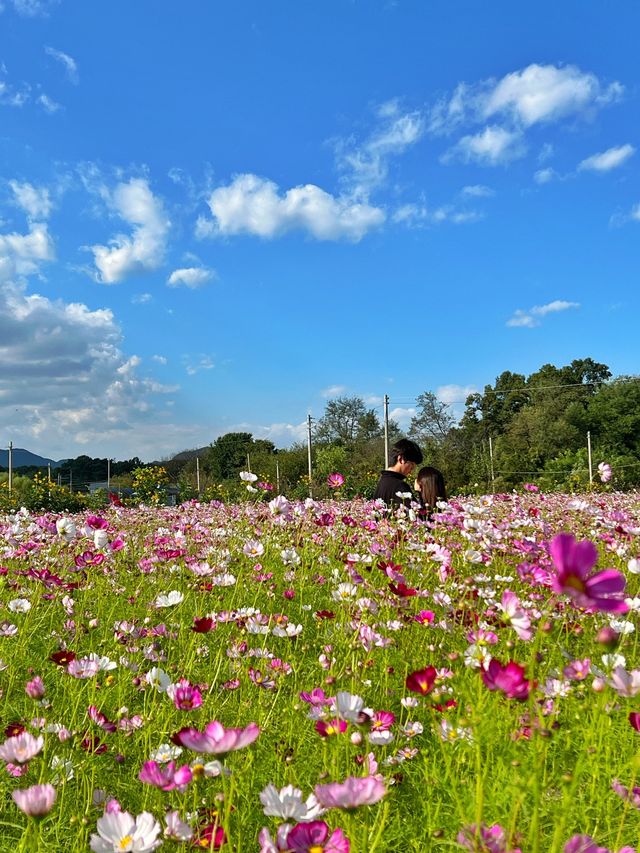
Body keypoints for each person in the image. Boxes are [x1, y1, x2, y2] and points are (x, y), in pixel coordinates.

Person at [373, 438, 423, 507]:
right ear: (401, 459)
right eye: (411, 464)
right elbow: (417, 515)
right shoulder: (400, 486)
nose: (412, 469)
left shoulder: (382, 481)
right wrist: (419, 492)